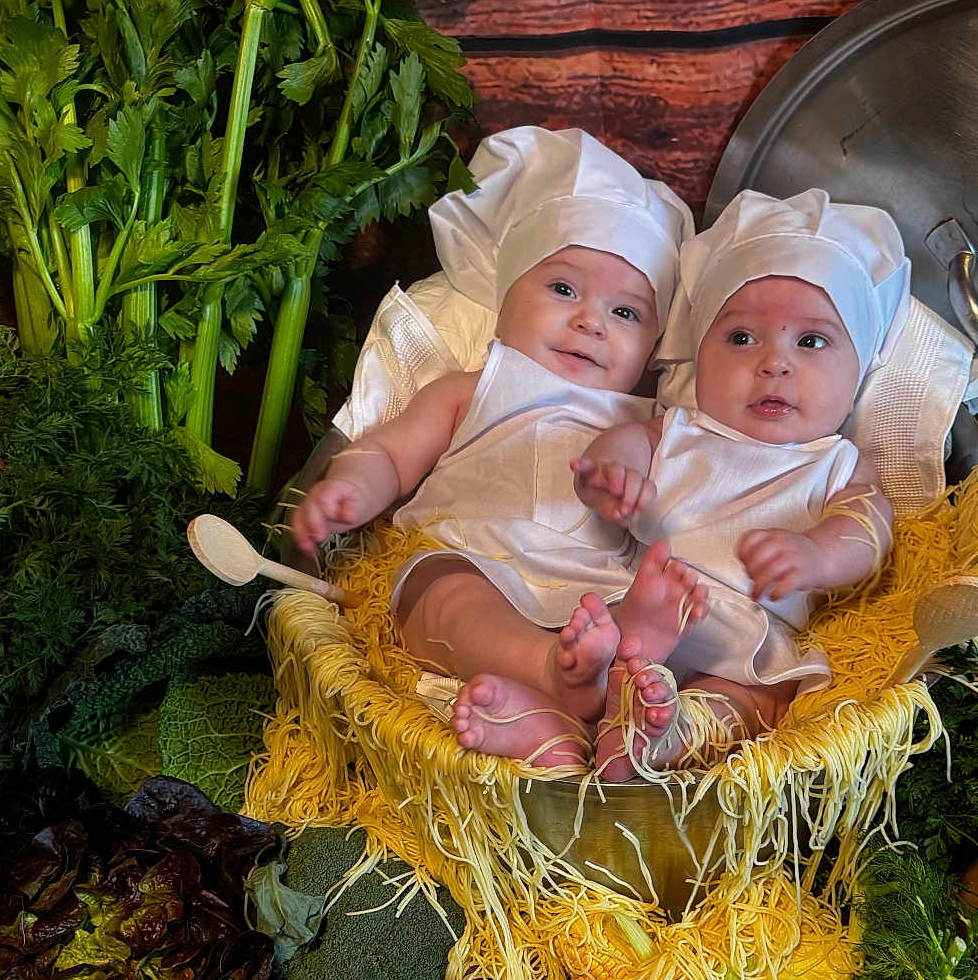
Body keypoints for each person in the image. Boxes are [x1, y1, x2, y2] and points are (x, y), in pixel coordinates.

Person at [290, 127, 700, 771]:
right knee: (436, 597)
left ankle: (579, 705)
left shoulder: (647, 421)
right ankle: (553, 680)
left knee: (656, 606)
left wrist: (632, 481)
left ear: (651, 348)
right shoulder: (471, 389)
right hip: (477, 560)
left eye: (626, 314)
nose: (591, 320)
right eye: (563, 289)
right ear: (506, 297)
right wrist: (349, 486)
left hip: (596, 589)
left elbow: (672, 490)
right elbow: (393, 454)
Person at [572, 189, 907, 780]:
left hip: (746, 634)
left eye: (811, 342)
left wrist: (815, 553)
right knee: (578, 643)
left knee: (758, 701)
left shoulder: (833, 462)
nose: (774, 362)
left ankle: (668, 730)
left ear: (857, 371)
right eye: (742, 338)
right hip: (642, 599)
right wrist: (611, 474)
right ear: (699, 357)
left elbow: (868, 528)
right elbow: (622, 447)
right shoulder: (678, 430)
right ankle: (580, 704)